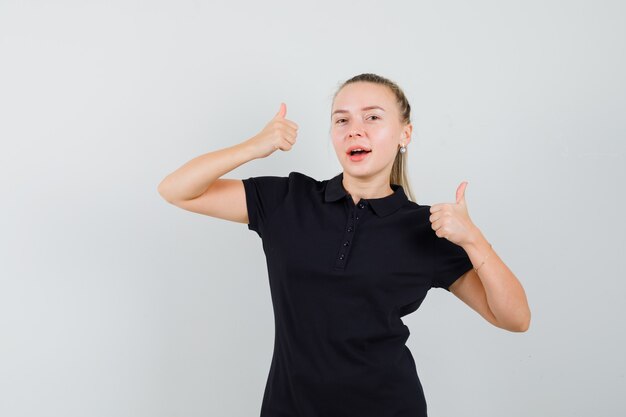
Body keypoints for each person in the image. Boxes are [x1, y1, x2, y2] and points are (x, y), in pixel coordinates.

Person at [157, 73, 531, 417]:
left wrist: (474, 241)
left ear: (405, 134)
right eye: (342, 120)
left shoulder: (425, 228)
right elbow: (176, 191)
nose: (355, 131)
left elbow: (515, 318)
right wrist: (255, 147)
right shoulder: (289, 201)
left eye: (372, 118)